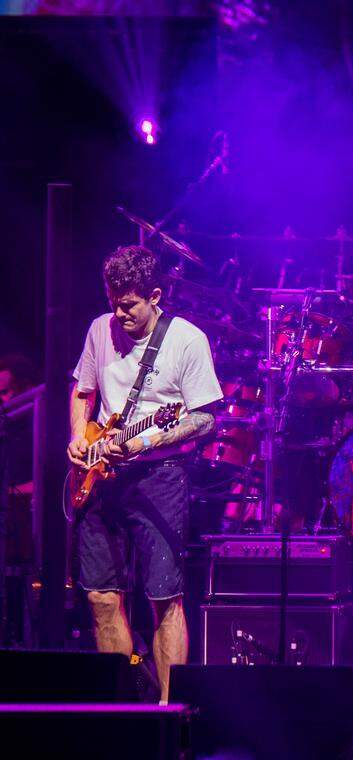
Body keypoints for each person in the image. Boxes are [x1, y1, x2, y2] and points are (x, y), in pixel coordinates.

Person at [67, 245, 222, 702]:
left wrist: (147, 440)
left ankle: (167, 713)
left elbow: (206, 417)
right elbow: (83, 391)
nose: (119, 312)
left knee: (162, 599)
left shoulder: (187, 340)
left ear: (155, 296)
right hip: (101, 476)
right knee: (100, 596)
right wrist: (78, 435)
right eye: (112, 300)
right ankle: (125, 701)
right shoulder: (100, 329)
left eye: (129, 303)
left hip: (159, 477)